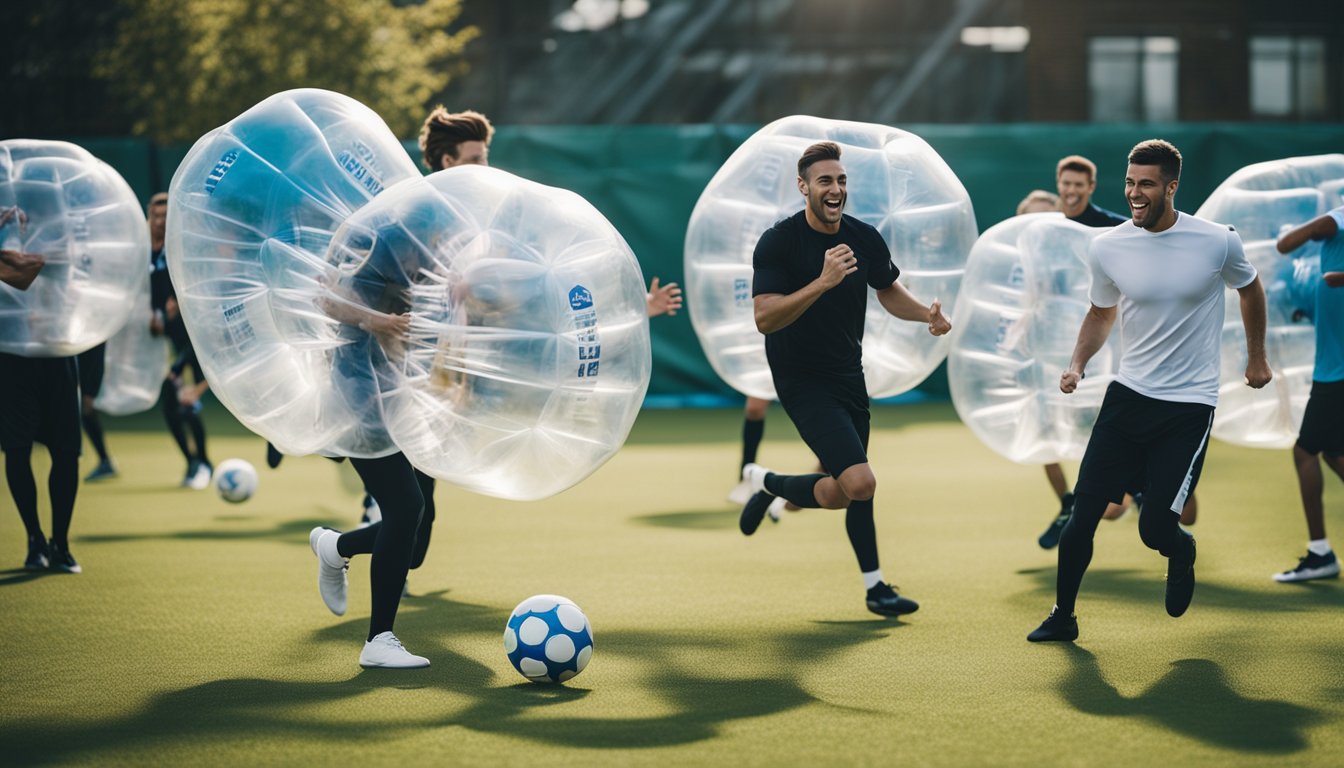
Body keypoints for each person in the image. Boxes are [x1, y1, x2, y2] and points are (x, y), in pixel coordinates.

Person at [1027, 139, 1270, 643]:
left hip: (1189, 406)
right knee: (1083, 513)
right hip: (1128, 395)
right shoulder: (1108, 245)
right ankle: (1063, 616)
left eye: (1147, 185)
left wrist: (1257, 356)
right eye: (1130, 183)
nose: (1135, 194)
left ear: (1172, 187)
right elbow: (1100, 311)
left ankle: (1180, 550)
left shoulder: (1217, 240)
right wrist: (1077, 364)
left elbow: (1249, 288)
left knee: (1154, 529)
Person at [737, 141, 950, 617]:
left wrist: (925, 317)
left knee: (843, 490)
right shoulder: (778, 242)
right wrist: (822, 282)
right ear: (803, 187)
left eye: (841, 180)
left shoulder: (864, 237)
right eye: (825, 181)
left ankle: (767, 483)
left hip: (849, 376)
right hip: (801, 380)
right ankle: (876, 586)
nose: (835, 189)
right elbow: (765, 318)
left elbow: (887, 288)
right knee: (862, 481)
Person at [1031, 162, 1199, 550]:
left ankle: (1141, 487)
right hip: (1062, 344)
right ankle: (1068, 504)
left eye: (1078, 184)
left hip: (1114, 349)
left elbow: (1127, 295)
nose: (1070, 190)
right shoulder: (1047, 231)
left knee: (1174, 509)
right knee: (1046, 428)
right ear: (1058, 184)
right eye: (1065, 183)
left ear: (1091, 186)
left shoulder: (1116, 231)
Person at [0, 206, 82, 572]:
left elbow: (31, 272)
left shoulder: (58, 233)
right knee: (17, 449)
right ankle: (35, 540)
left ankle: (60, 543)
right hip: (11, 357)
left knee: (66, 452)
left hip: (58, 350)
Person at [1269, 206, 1344, 582]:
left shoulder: (1338, 219)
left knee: (1305, 451)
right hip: (1332, 366)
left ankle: (1320, 553)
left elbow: (1286, 243)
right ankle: (1320, 553)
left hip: (1338, 372)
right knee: (1332, 451)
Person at [146, 193, 211, 489]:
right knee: (172, 405)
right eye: (155, 215)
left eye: (165, 216)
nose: (160, 221)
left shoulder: (181, 250)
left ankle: (201, 464)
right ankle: (196, 462)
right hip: (166, 342)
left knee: (183, 402)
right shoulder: (145, 253)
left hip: (192, 341)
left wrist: (180, 300)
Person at [77, 343, 116, 481]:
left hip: (89, 377)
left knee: (87, 412)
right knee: (85, 414)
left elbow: (97, 358)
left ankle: (105, 461)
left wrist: (90, 390)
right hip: (80, 373)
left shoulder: (95, 333)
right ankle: (105, 461)